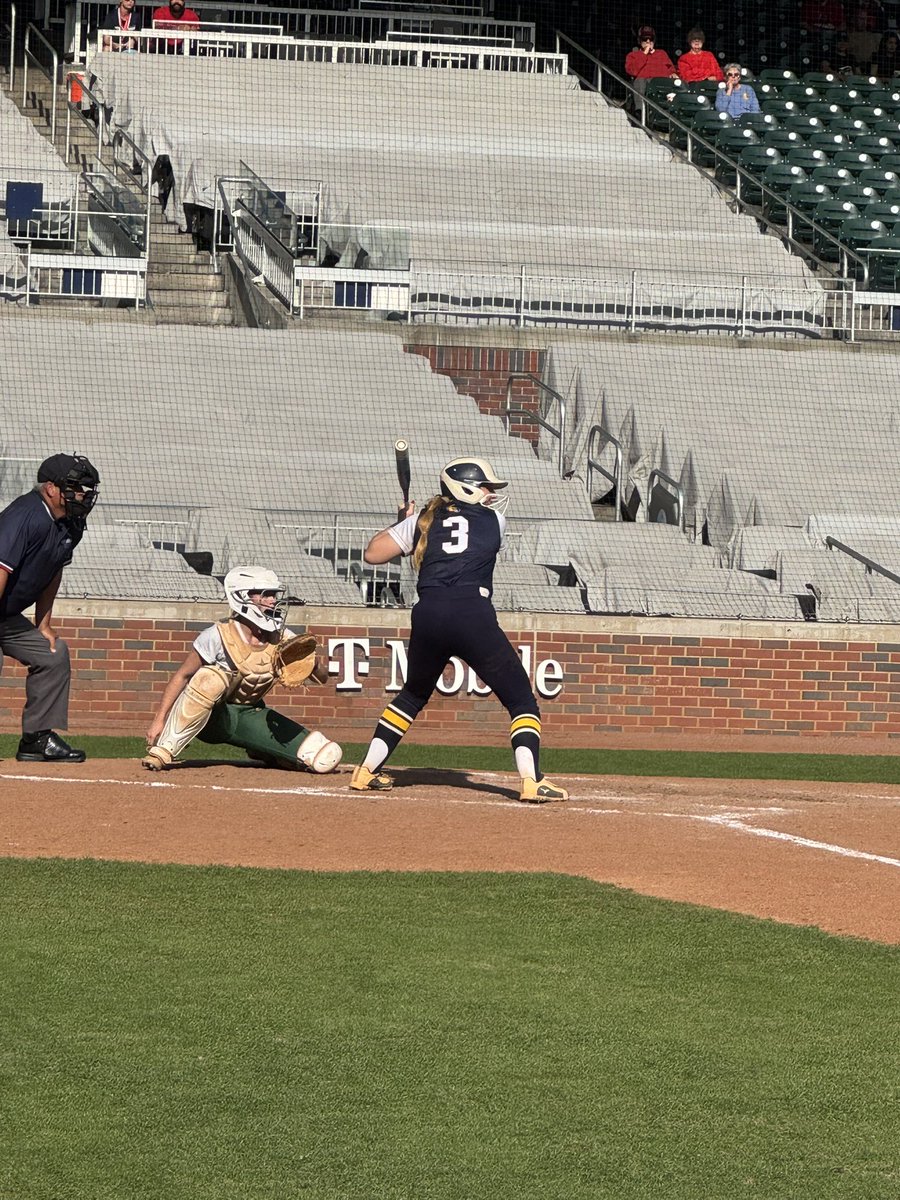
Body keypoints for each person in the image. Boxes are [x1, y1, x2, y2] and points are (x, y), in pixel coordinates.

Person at [350, 457, 569, 803]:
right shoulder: (495, 521)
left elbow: (373, 554)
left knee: (412, 695)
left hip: (428, 612)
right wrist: (412, 525)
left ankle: (365, 770)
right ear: (463, 487)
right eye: (485, 487)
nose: (490, 495)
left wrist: (402, 524)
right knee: (520, 700)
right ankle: (532, 780)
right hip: (471, 612)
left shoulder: (424, 520)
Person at [142, 565, 342, 773]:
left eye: (274, 595)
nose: (273, 600)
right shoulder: (218, 635)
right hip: (214, 718)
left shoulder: (282, 636)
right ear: (242, 597)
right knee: (210, 678)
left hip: (250, 713)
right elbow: (183, 676)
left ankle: (261, 748)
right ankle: (165, 749)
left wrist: (313, 663)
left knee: (324, 756)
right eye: (266, 595)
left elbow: (323, 678)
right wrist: (159, 719)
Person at [0, 454, 100, 763]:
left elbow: (53, 570)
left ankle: (36, 740)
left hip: (5, 616)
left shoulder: (70, 524)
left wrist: (43, 623)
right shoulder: (25, 515)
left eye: (86, 488)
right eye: (75, 487)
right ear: (50, 489)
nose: (82, 494)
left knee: (53, 654)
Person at [624, 26, 677, 117]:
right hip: (645, 83)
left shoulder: (661, 53)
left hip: (662, 82)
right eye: (645, 39)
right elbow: (632, 71)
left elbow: (670, 68)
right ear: (640, 40)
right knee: (639, 81)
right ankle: (640, 112)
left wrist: (673, 73)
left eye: (650, 39)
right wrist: (644, 54)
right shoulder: (633, 55)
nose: (648, 41)